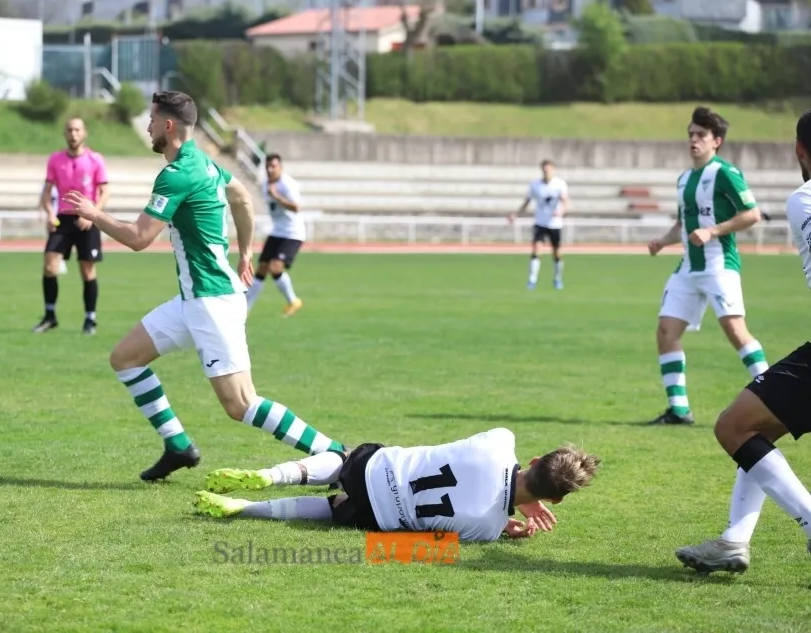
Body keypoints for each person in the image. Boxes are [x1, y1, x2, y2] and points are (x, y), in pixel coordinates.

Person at [62, 91, 345, 482]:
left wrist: (94, 214)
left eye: (152, 119)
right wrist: (246, 252)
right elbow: (242, 198)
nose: (148, 126)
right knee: (125, 358)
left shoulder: (177, 174)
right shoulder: (205, 163)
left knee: (241, 403)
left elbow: (139, 237)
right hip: (193, 300)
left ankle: (336, 453)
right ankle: (177, 445)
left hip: (211, 302)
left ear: (168, 125)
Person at [675, 109, 811, 574]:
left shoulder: (803, 200)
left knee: (734, 427)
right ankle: (734, 540)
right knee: (754, 429)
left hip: (719, 267)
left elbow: (750, 212)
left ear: (799, 151)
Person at [194, 427, 600, 543]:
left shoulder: (501, 441)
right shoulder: (487, 528)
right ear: (556, 499)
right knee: (334, 509)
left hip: (379, 469)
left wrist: (518, 495)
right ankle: (245, 507)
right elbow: (436, 543)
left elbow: (496, 474)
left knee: (344, 460)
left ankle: (272, 475)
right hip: (377, 517)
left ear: (534, 461)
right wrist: (508, 521)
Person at [646, 106, 768, 426]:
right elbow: (683, 224)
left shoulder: (725, 172)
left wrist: (712, 231)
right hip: (688, 267)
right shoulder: (684, 179)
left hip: (719, 264)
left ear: (717, 141)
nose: (693, 140)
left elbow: (752, 214)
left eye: (701, 135)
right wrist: (662, 241)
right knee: (666, 330)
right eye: (690, 134)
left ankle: (775, 395)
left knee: (735, 329)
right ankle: (679, 410)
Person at [33, 117, 109, 335]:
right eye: (69, 130)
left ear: (84, 133)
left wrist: (92, 214)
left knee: (87, 270)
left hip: (87, 219)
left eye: (77, 130)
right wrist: (50, 214)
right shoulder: (55, 160)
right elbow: (46, 193)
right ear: (64, 134)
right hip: (63, 219)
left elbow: (105, 192)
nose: (73, 134)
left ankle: (90, 319)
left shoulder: (95, 160)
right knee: (49, 264)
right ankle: (50, 316)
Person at [246, 153, 305, 317]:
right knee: (262, 268)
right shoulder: (265, 184)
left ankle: (293, 301)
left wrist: (277, 196)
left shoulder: (287, 184)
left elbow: (296, 207)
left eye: (274, 166)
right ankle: (245, 309)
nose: (270, 169)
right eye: (268, 166)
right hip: (277, 231)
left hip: (292, 233)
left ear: (281, 167)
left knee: (275, 267)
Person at [509, 159, 569, 291]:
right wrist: (516, 214)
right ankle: (532, 279)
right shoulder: (535, 185)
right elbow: (527, 201)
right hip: (540, 222)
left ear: (553, 169)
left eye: (549, 169)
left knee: (557, 253)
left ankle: (557, 278)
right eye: (544, 169)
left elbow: (565, 202)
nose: (546, 171)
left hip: (555, 224)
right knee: (536, 249)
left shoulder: (560, 184)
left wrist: (561, 211)